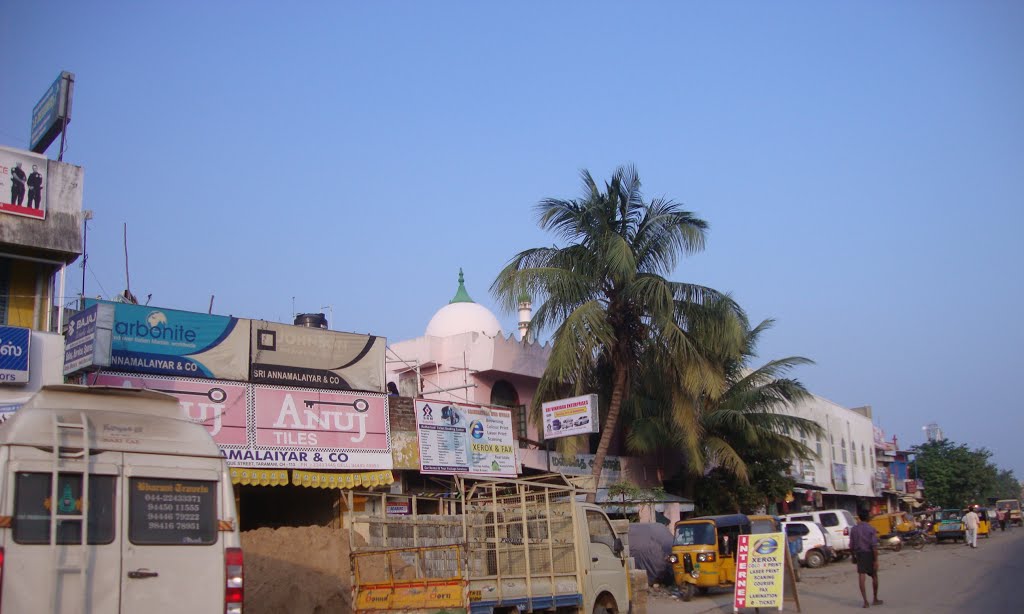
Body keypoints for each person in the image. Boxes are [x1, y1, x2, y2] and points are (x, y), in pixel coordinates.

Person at [849, 509, 882, 608]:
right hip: (869, 554)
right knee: (874, 576)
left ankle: (865, 601)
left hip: (859, 554)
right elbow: (874, 546)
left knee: (861, 576)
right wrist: (876, 560)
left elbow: (851, 545)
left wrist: (853, 556)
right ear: (867, 517)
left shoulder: (854, 529)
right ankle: (875, 598)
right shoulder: (871, 529)